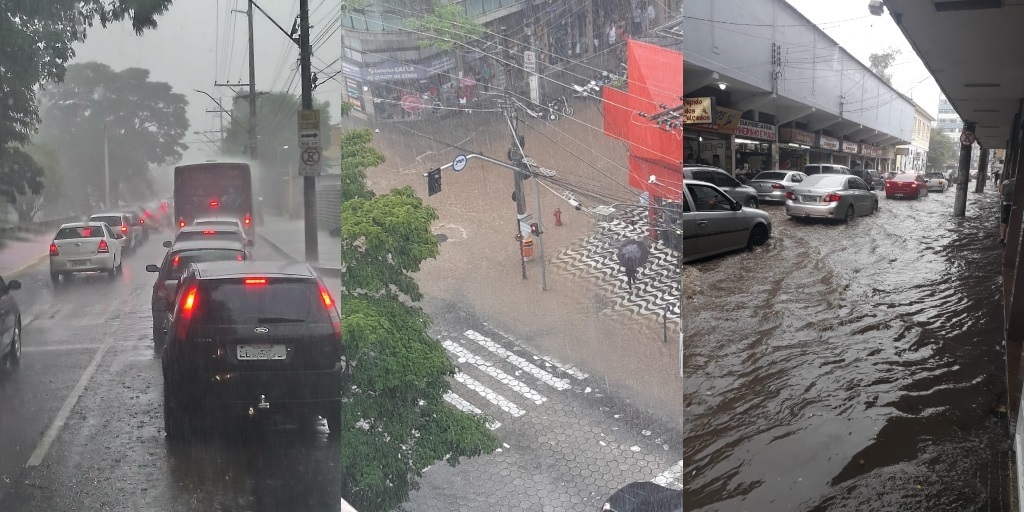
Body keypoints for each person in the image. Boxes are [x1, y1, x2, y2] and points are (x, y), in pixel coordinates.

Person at [1001, 175, 1016, 245]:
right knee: (1005, 221)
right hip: (1007, 203)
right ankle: (1003, 238)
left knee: (1010, 222)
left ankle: (1006, 239)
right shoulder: (1008, 181)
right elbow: (1002, 186)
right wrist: (1001, 194)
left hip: (1016, 205)